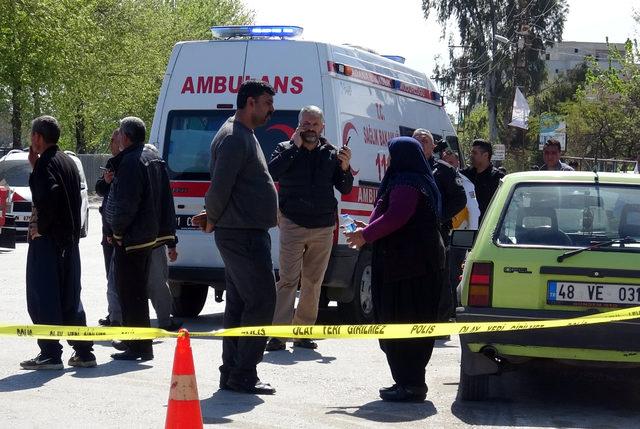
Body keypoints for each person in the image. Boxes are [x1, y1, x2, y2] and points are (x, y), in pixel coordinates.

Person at [192, 79, 278, 395]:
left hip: (245, 232)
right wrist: (212, 218)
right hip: (241, 236)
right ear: (251, 102)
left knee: (240, 305)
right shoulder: (233, 138)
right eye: (268, 103)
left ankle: (232, 372)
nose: (272, 110)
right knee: (262, 301)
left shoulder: (243, 135)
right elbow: (219, 188)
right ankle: (243, 373)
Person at [344, 137, 444, 402]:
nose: (387, 160)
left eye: (390, 155)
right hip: (405, 266)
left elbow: (397, 216)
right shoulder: (406, 181)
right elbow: (384, 213)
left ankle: (411, 384)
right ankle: (406, 381)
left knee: (404, 323)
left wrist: (366, 236)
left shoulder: (408, 183)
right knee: (399, 322)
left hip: (409, 270)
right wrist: (364, 229)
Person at [265, 105, 353, 352]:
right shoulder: (285, 149)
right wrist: (294, 147)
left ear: (322, 127)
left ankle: (303, 333)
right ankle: (278, 335)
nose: (310, 128)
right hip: (292, 223)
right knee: (288, 280)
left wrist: (345, 168)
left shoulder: (332, 154)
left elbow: (345, 188)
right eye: (306, 124)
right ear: (298, 125)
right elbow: (272, 172)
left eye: (315, 124)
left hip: (323, 226)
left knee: (313, 281)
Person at [21, 115, 96, 370]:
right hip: (69, 242)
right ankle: (84, 351)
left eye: (33, 136)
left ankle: (50, 353)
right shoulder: (68, 162)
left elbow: (49, 194)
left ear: (38, 138)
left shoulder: (46, 164)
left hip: (49, 243)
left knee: (44, 297)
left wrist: (40, 227)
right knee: (71, 296)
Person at [105, 117, 176, 361]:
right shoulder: (152, 158)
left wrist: (117, 232)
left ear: (125, 137)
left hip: (133, 239)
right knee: (134, 292)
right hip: (150, 236)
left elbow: (125, 204)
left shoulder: (132, 162)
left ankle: (139, 346)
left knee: (131, 293)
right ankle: (134, 341)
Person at [412, 129, 466, 322]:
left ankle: (440, 322)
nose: (421, 143)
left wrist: (438, 216)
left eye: (425, 140)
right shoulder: (404, 168)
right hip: (410, 234)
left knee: (440, 277)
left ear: (433, 146)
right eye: (416, 140)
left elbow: (460, 199)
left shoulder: (443, 170)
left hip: (436, 232)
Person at [442, 150, 480, 305]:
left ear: (457, 163)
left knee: (454, 273)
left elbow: (474, 211)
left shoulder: (465, 183)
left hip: (460, 235)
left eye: (451, 162)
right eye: (445, 162)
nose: (448, 165)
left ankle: (453, 307)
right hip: (441, 234)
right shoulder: (436, 177)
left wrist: (472, 239)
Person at [96, 129, 122, 327]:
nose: (110, 144)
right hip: (108, 232)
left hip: (119, 232)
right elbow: (99, 189)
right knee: (110, 275)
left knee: (120, 277)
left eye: (112, 140)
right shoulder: (112, 163)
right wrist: (105, 181)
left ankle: (120, 316)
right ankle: (113, 312)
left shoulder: (128, 162)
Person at [460, 139, 505, 223]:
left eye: (475, 153)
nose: (471, 156)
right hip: (467, 226)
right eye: (471, 152)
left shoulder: (497, 178)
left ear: (485, 155)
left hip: (486, 226)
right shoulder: (465, 174)